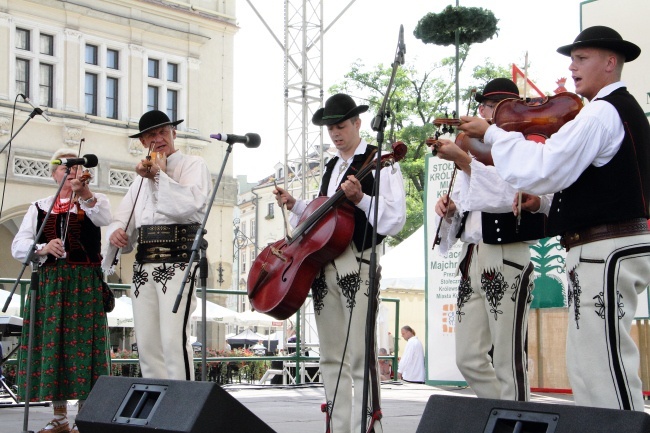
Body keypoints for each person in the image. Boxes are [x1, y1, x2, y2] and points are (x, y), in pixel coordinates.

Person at [459, 26, 650, 411]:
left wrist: (496, 133)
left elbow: (543, 167)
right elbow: (580, 183)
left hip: (606, 250)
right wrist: (542, 206)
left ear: (610, 63)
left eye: (582, 58)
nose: (572, 66)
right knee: (589, 366)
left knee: (602, 369)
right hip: (604, 247)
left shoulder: (600, 113)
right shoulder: (611, 111)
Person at [274, 93, 406, 433]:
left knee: (361, 354)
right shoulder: (332, 166)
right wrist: (296, 206)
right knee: (330, 356)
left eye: (341, 126)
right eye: (331, 128)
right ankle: (338, 426)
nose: (335, 133)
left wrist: (361, 199)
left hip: (358, 260)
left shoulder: (381, 161)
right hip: (324, 264)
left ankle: (368, 428)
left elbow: (395, 219)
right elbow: (325, 218)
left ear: (357, 123)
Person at [432, 78, 546, 401]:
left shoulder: (521, 144)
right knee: (467, 357)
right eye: (484, 105)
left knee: (509, 360)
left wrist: (465, 162)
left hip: (506, 255)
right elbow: (469, 202)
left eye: (492, 106)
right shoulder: (474, 146)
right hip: (472, 256)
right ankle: (505, 415)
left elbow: (508, 192)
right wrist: (452, 208)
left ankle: (517, 419)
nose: (484, 112)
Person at [105, 110, 212, 381]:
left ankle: (181, 405)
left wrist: (159, 176)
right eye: (151, 135)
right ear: (142, 142)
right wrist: (118, 232)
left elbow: (189, 207)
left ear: (174, 133)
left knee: (173, 338)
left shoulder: (192, 164)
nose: (158, 138)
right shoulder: (138, 178)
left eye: (163, 132)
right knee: (148, 340)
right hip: (144, 262)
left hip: (178, 260)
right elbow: (123, 216)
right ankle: (156, 401)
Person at [11, 148, 112, 433]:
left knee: (84, 346)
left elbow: (104, 217)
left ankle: (85, 416)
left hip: (84, 284)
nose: (69, 172)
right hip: (52, 285)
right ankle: (59, 418)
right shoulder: (40, 206)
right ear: (54, 174)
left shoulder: (93, 201)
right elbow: (19, 245)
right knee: (54, 346)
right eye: (63, 168)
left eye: (75, 167)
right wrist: (43, 248)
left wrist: (85, 192)